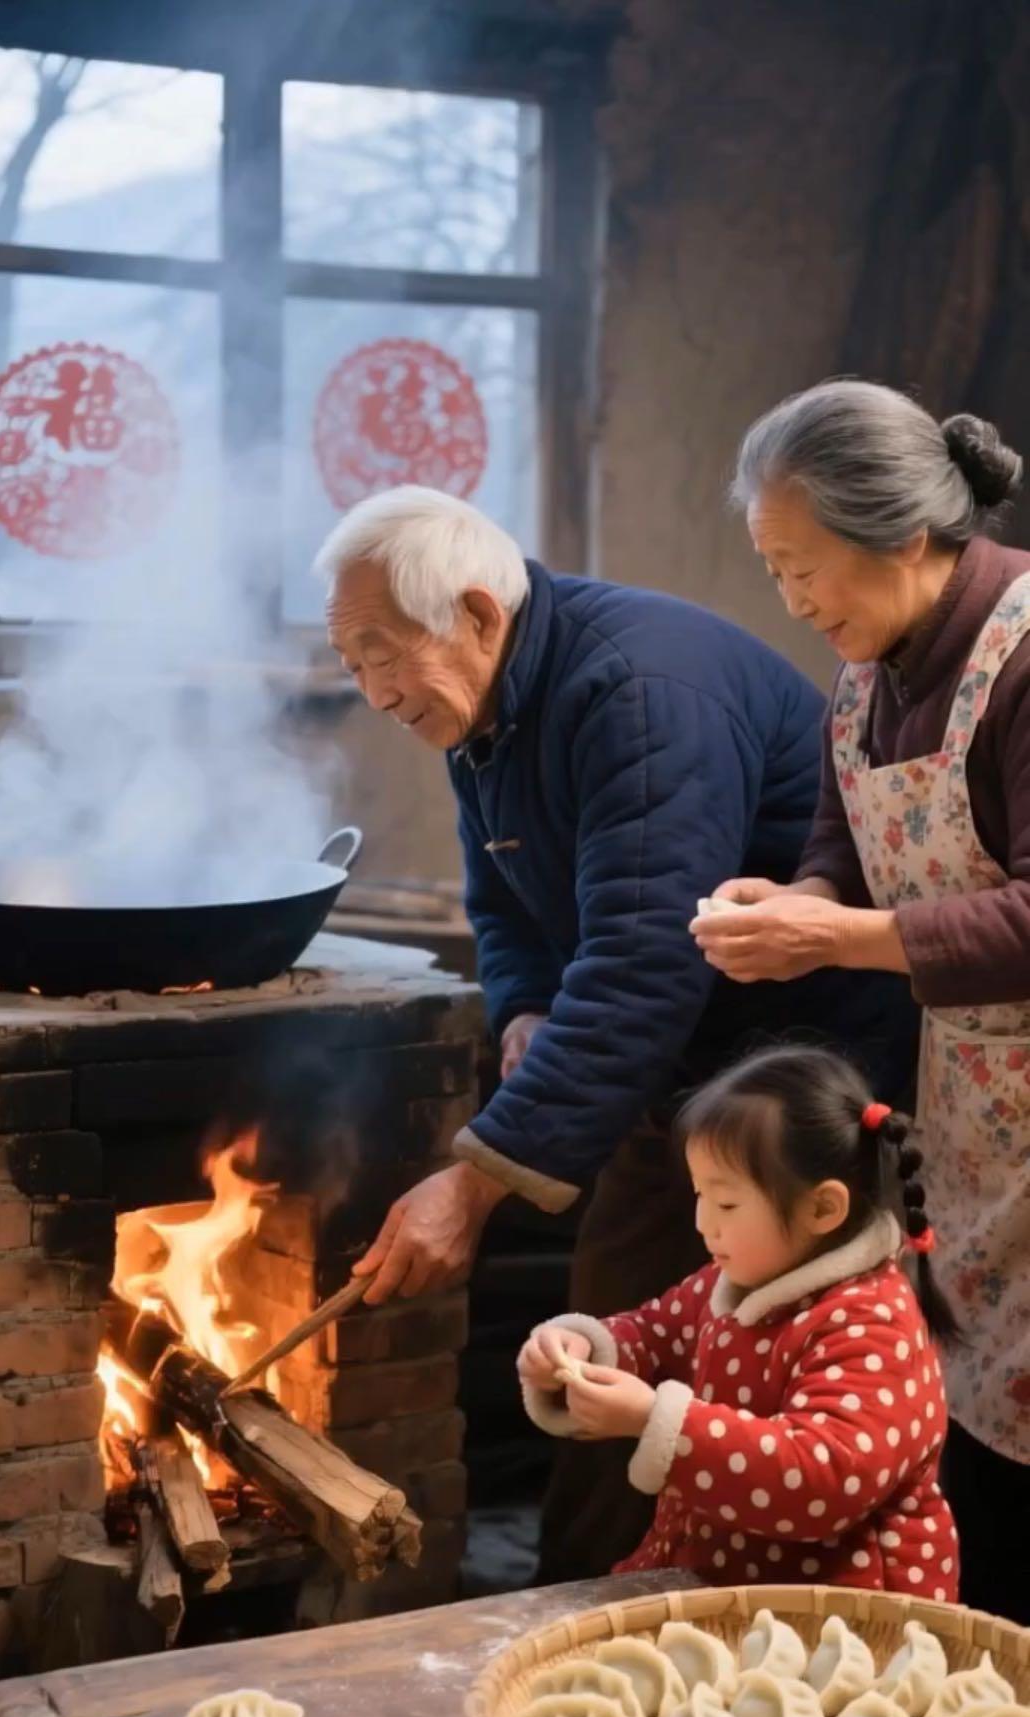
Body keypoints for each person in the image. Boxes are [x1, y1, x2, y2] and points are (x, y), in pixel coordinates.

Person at [314, 485, 916, 1579]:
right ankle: (584, 1607)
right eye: (350, 664)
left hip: (799, 1094)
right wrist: (527, 1010)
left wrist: (478, 1180)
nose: (370, 691)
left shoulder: (636, 691)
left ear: (479, 613)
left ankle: (721, 1614)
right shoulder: (483, 715)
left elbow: (646, 958)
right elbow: (500, 905)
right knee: (605, 1343)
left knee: (785, 1360)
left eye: (378, 652)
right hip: (682, 1079)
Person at [694, 378, 1030, 1623]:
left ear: (899, 536)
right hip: (977, 1110)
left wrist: (836, 933)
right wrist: (787, 910)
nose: (791, 601)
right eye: (774, 571)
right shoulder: (867, 670)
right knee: (981, 1422)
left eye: (803, 567)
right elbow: (843, 851)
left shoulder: (1023, 650)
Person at [518, 1046, 958, 1596]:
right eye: (700, 1195)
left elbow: (823, 1476)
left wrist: (657, 1421)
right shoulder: (738, 1279)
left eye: (725, 1204)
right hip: (724, 1577)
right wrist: (581, 1349)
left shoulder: (872, 1323)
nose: (704, 1222)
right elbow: (656, 1331)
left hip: (841, 1616)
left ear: (822, 1209)